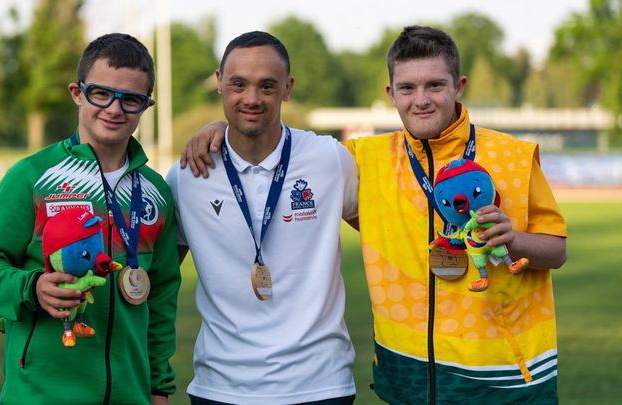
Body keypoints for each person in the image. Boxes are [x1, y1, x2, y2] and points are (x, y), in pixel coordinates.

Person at [182, 26, 568, 405]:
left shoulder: (512, 156)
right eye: (407, 88)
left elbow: (557, 250)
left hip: (503, 376)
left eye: (435, 85)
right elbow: (271, 141)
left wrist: (514, 239)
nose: (422, 100)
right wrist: (222, 128)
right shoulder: (364, 158)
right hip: (408, 375)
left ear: (459, 86)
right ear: (391, 94)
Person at [0, 33, 181, 405]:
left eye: (131, 100)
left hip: (131, 396)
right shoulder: (31, 177)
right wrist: (32, 287)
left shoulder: (156, 192)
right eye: (101, 93)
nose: (114, 109)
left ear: (147, 106)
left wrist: (159, 387)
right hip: (40, 395)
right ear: (77, 93)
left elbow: (160, 296)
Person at [166, 31, 358, 404]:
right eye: (238, 84)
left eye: (266, 86)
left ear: (287, 88)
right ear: (219, 83)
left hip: (321, 386)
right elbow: (158, 279)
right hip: (221, 387)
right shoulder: (187, 176)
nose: (251, 99)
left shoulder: (330, 160)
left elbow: (384, 234)